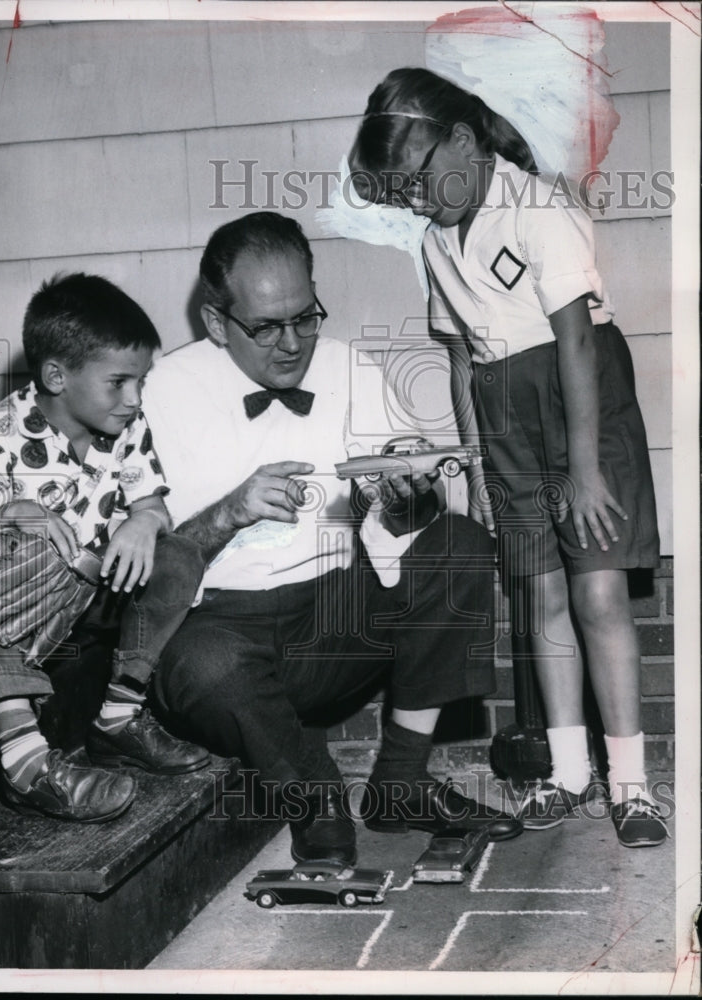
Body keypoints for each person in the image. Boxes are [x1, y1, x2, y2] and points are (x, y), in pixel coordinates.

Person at [142, 211, 523, 868]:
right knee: (203, 665)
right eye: (265, 327)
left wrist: (411, 494)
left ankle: (400, 781)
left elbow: (406, 493)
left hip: (332, 619)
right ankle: (314, 800)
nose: (292, 343)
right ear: (214, 323)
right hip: (222, 629)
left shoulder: (348, 366)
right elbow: (137, 569)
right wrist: (225, 513)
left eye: (305, 317)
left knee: (457, 542)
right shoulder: (157, 394)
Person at [347, 67, 667, 848]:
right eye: (400, 194)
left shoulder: (537, 206)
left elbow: (577, 341)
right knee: (543, 604)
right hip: (505, 425)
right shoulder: (434, 241)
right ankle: (568, 775)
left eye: (418, 180)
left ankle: (631, 787)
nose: (417, 201)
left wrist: (586, 469)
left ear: (462, 139)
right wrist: (482, 468)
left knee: (597, 599)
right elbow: (461, 362)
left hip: (579, 406)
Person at [0, 273, 209, 823]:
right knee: (4, 564)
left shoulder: (125, 426)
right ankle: (25, 759)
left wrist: (144, 518)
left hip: (97, 600)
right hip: (18, 620)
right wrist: (7, 518)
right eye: (119, 382)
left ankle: (119, 718)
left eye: (141, 381)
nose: (134, 399)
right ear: (56, 375)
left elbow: (152, 501)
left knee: (178, 553)